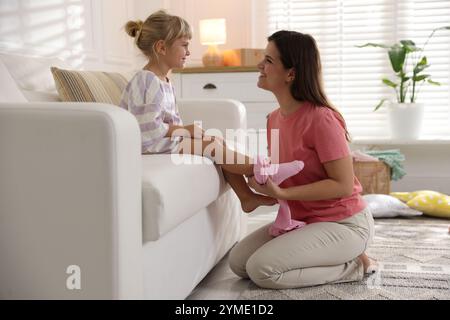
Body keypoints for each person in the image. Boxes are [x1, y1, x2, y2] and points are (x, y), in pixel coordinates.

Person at [229, 30, 377, 290]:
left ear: (291, 74)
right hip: (304, 222)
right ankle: (330, 256)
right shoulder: (273, 118)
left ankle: (354, 265)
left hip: (344, 224)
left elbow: (342, 185)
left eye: (269, 61)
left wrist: (283, 192)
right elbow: (283, 173)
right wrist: (256, 179)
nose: (259, 66)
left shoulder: (322, 119)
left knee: (262, 270)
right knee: (239, 264)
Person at [120, 10, 304, 214]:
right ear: (162, 47)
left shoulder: (164, 81)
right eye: (184, 45)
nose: (188, 52)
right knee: (212, 146)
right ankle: (264, 170)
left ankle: (246, 197)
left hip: (157, 143)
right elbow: (147, 131)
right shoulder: (147, 80)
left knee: (216, 142)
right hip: (146, 146)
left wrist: (186, 132)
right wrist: (185, 130)